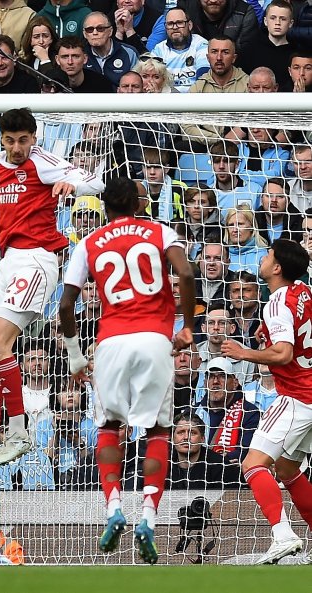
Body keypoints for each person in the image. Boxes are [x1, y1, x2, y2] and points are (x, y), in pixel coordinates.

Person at [0, 107, 104, 480]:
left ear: (34, 138)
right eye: (10, 141)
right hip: (9, 261)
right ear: (2, 139)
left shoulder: (44, 163)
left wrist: (72, 185)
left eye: (23, 141)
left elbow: (96, 182)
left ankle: (18, 432)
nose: (16, 148)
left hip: (37, 261)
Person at [58, 177, 196, 564]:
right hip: (154, 339)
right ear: (139, 203)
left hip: (111, 342)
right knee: (157, 432)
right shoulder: (160, 232)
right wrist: (187, 325)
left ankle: (114, 507)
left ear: (105, 207)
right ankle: (148, 517)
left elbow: (66, 305)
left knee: (108, 427)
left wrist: (74, 355)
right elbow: (186, 274)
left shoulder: (88, 243)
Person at [220, 238, 312, 564]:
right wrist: (269, 331)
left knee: (252, 464)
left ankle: (283, 535)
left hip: (297, 397)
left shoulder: (275, 303)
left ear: (277, 268)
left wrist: (244, 352)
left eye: (268, 255)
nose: (263, 257)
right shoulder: (303, 291)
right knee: (287, 468)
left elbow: (284, 353)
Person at [149, 7, 210, 94]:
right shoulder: (159, 49)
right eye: (170, 24)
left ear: (189, 25)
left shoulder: (201, 44)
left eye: (179, 23)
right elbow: (152, 80)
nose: (175, 27)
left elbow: (203, 77)